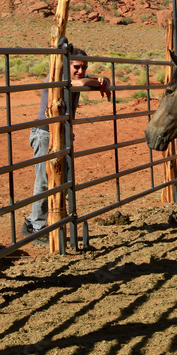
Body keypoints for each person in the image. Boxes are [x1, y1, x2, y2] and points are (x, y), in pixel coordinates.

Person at [22, 47, 111, 242]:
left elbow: (98, 80)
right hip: (45, 133)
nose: (81, 70)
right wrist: (97, 81)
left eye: (84, 67)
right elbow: (78, 82)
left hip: (63, 133)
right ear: (66, 64)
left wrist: (104, 81)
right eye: (77, 66)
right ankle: (36, 226)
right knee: (45, 181)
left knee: (63, 178)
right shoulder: (56, 77)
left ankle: (40, 222)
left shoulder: (73, 76)